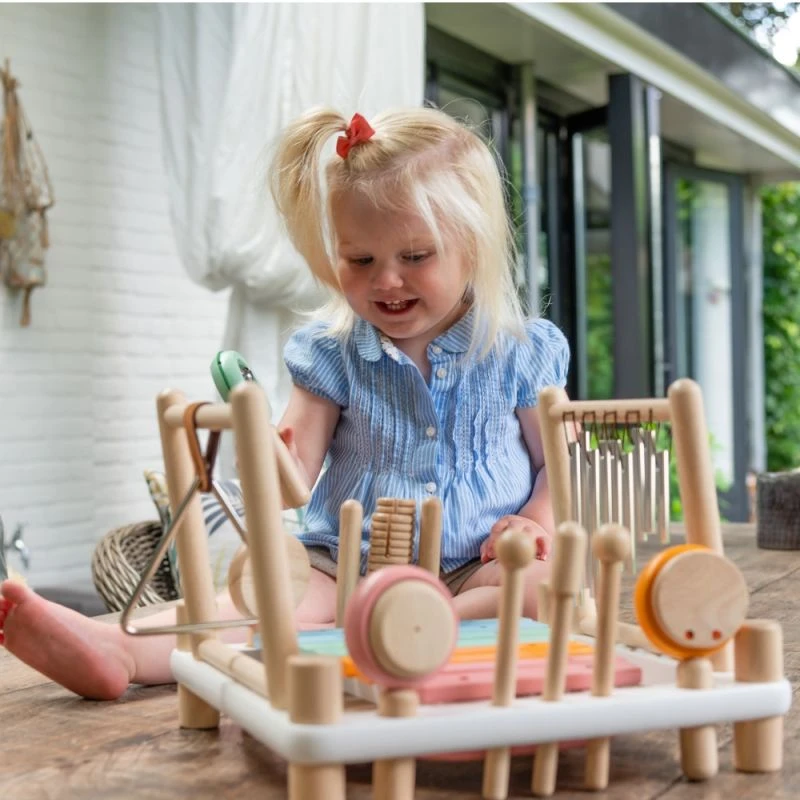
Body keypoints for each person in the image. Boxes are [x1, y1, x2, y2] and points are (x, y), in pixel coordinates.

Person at [0, 106, 569, 701]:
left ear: (472, 247)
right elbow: (293, 472)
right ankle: (118, 647)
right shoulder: (333, 352)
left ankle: (418, 626)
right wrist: (266, 455)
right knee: (262, 605)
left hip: (475, 566)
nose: (387, 282)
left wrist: (532, 521)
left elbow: (558, 465)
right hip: (346, 563)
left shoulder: (520, 351)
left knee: (539, 589)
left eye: (415, 257)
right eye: (361, 260)